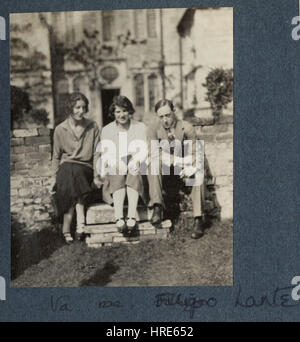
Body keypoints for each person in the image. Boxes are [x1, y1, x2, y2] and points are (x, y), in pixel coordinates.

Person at [147, 99, 205, 239]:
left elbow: (195, 153)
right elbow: (155, 153)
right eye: (161, 117)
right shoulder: (153, 129)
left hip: (183, 169)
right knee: (153, 164)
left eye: (168, 115)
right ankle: (157, 207)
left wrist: (189, 166)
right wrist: (177, 161)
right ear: (157, 116)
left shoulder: (186, 127)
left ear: (174, 112)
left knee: (198, 173)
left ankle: (198, 219)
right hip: (166, 170)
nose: (165, 120)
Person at [51, 92, 102, 244]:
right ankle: (81, 224)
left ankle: (66, 228)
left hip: (86, 168)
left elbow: (97, 153)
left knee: (75, 171)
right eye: (77, 107)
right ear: (70, 109)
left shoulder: (93, 127)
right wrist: (53, 178)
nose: (80, 111)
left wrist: (97, 175)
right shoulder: (60, 129)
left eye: (83, 107)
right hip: (67, 169)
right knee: (70, 170)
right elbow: (56, 156)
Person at [98, 95, 148, 235]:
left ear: (130, 111)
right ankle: (119, 217)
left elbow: (144, 149)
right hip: (116, 165)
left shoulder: (140, 127)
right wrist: (116, 162)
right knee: (115, 169)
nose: (122, 115)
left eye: (125, 111)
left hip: (135, 164)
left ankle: (132, 216)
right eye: (118, 111)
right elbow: (106, 153)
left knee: (134, 169)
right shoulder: (107, 130)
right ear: (113, 113)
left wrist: (137, 160)